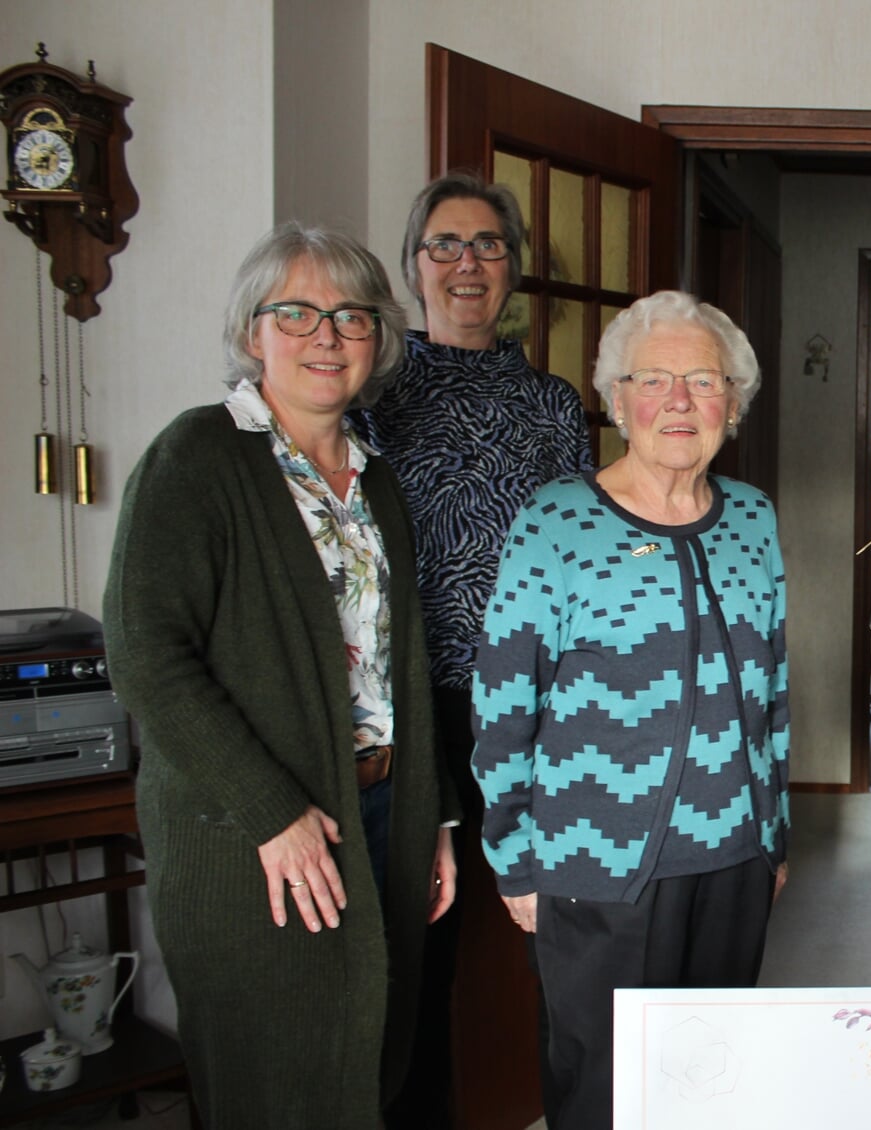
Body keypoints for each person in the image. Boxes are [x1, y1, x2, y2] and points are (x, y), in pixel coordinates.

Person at [102, 222, 458, 1127]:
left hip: (378, 809)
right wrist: (272, 813)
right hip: (252, 834)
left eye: (350, 315)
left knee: (372, 1056)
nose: (325, 336)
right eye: (295, 313)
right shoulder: (198, 457)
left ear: (378, 337)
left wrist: (436, 815)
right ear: (252, 330)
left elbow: (398, 664)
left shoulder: (374, 480)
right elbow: (146, 651)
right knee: (277, 1077)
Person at [471, 290, 790, 1130]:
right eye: (653, 379)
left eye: (704, 380)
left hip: (734, 861)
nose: (679, 400)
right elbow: (504, 700)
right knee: (607, 1095)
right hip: (595, 869)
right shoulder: (556, 523)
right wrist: (514, 855)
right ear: (616, 400)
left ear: (735, 400)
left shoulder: (754, 518)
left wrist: (775, 831)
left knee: (715, 1090)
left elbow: (773, 692)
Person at [351, 170, 595, 1126]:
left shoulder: (552, 402)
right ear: (414, 266)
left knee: (562, 936)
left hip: (540, 708)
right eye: (445, 245)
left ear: (515, 268)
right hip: (415, 709)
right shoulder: (372, 392)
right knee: (423, 947)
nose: (467, 263)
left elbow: (585, 556)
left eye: (488, 245)